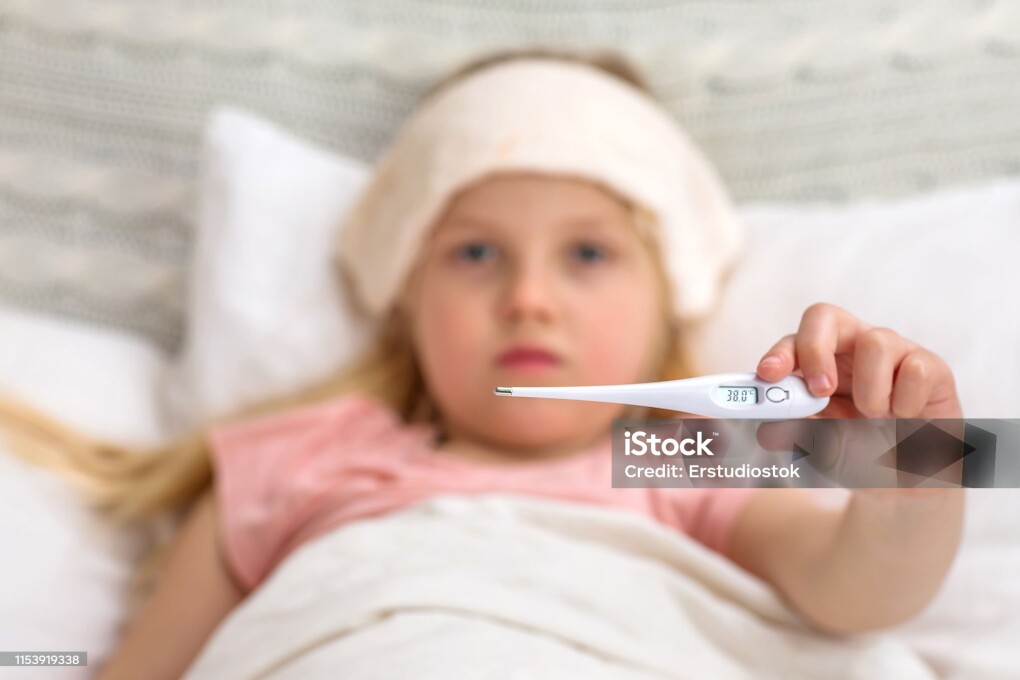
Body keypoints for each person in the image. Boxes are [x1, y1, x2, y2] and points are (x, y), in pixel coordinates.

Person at [0, 49, 964, 680]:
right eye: (474, 253)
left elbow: (855, 596)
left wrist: (913, 469)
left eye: (587, 253)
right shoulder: (290, 461)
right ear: (406, 298)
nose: (530, 297)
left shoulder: (689, 454)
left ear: (664, 296)